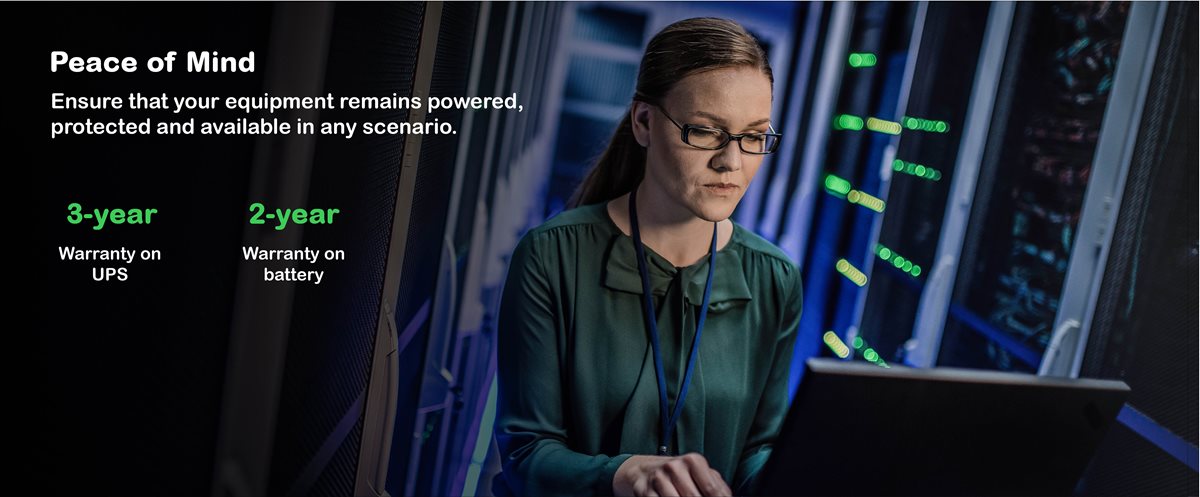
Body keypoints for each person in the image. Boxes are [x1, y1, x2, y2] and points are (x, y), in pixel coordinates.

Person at [492, 17, 802, 497]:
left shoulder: (775, 279)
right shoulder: (552, 256)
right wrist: (624, 476)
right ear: (643, 123)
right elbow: (526, 454)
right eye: (705, 131)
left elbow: (757, 449)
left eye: (754, 136)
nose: (732, 163)